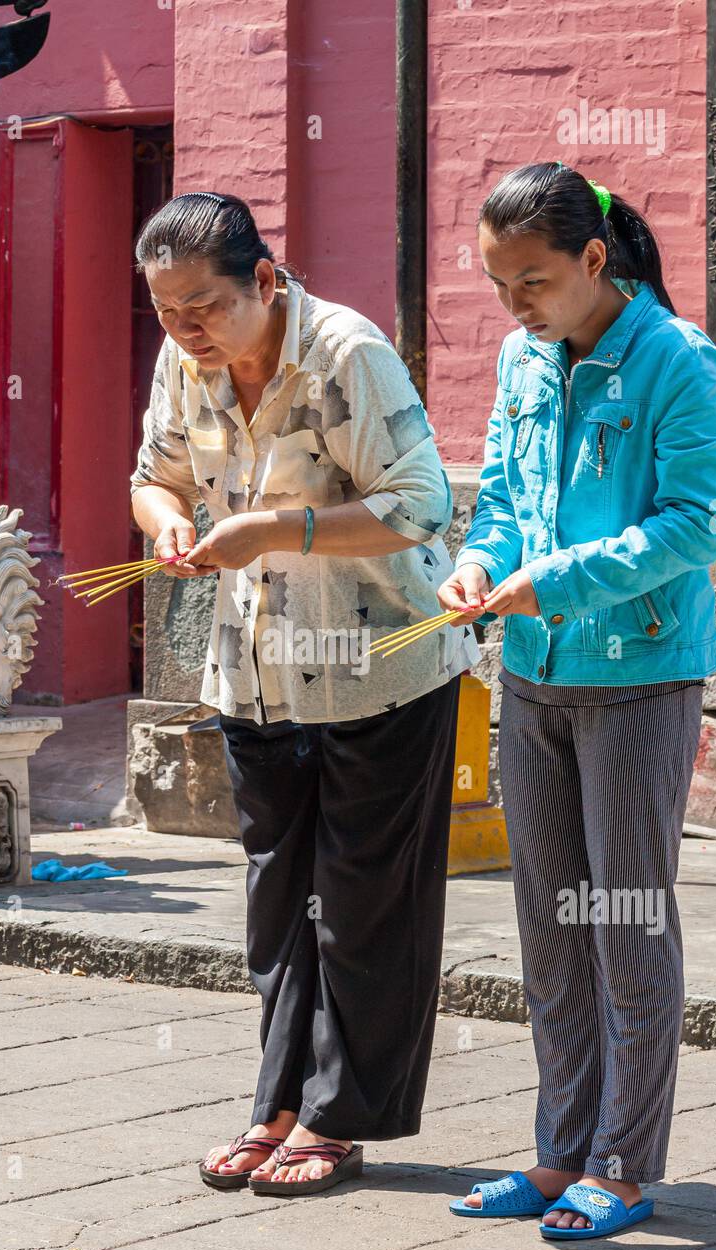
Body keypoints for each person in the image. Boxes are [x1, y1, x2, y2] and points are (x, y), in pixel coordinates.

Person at [130, 191, 479, 1196]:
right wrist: (164, 527)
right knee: (278, 903)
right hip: (254, 672)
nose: (186, 330)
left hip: (379, 671)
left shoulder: (345, 354)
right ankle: (275, 1102)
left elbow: (419, 508)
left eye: (203, 306)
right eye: (166, 311)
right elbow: (152, 476)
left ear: (266, 282)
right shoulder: (181, 360)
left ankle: (339, 1118)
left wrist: (275, 530)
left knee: (365, 906)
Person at [437, 162, 716, 1239]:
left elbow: (696, 528)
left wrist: (556, 579)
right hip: (532, 673)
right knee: (551, 929)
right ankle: (558, 1153)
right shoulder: (522, 360)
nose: (512, 307)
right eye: (497, 284)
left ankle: (624, 1157)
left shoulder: (676, 362)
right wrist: (479, 565)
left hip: (642, 677)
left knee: (624, 921)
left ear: (593, 261)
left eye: (532, 282)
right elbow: (506, 501)